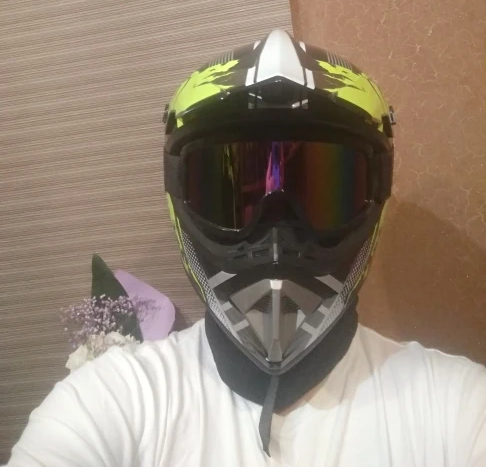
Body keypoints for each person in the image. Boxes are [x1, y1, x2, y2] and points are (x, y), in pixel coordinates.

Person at [8, 29, 486, 466]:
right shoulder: (109, 403)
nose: (276, 233)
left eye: (318, 191)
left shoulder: (459, 409)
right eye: (237, 194)